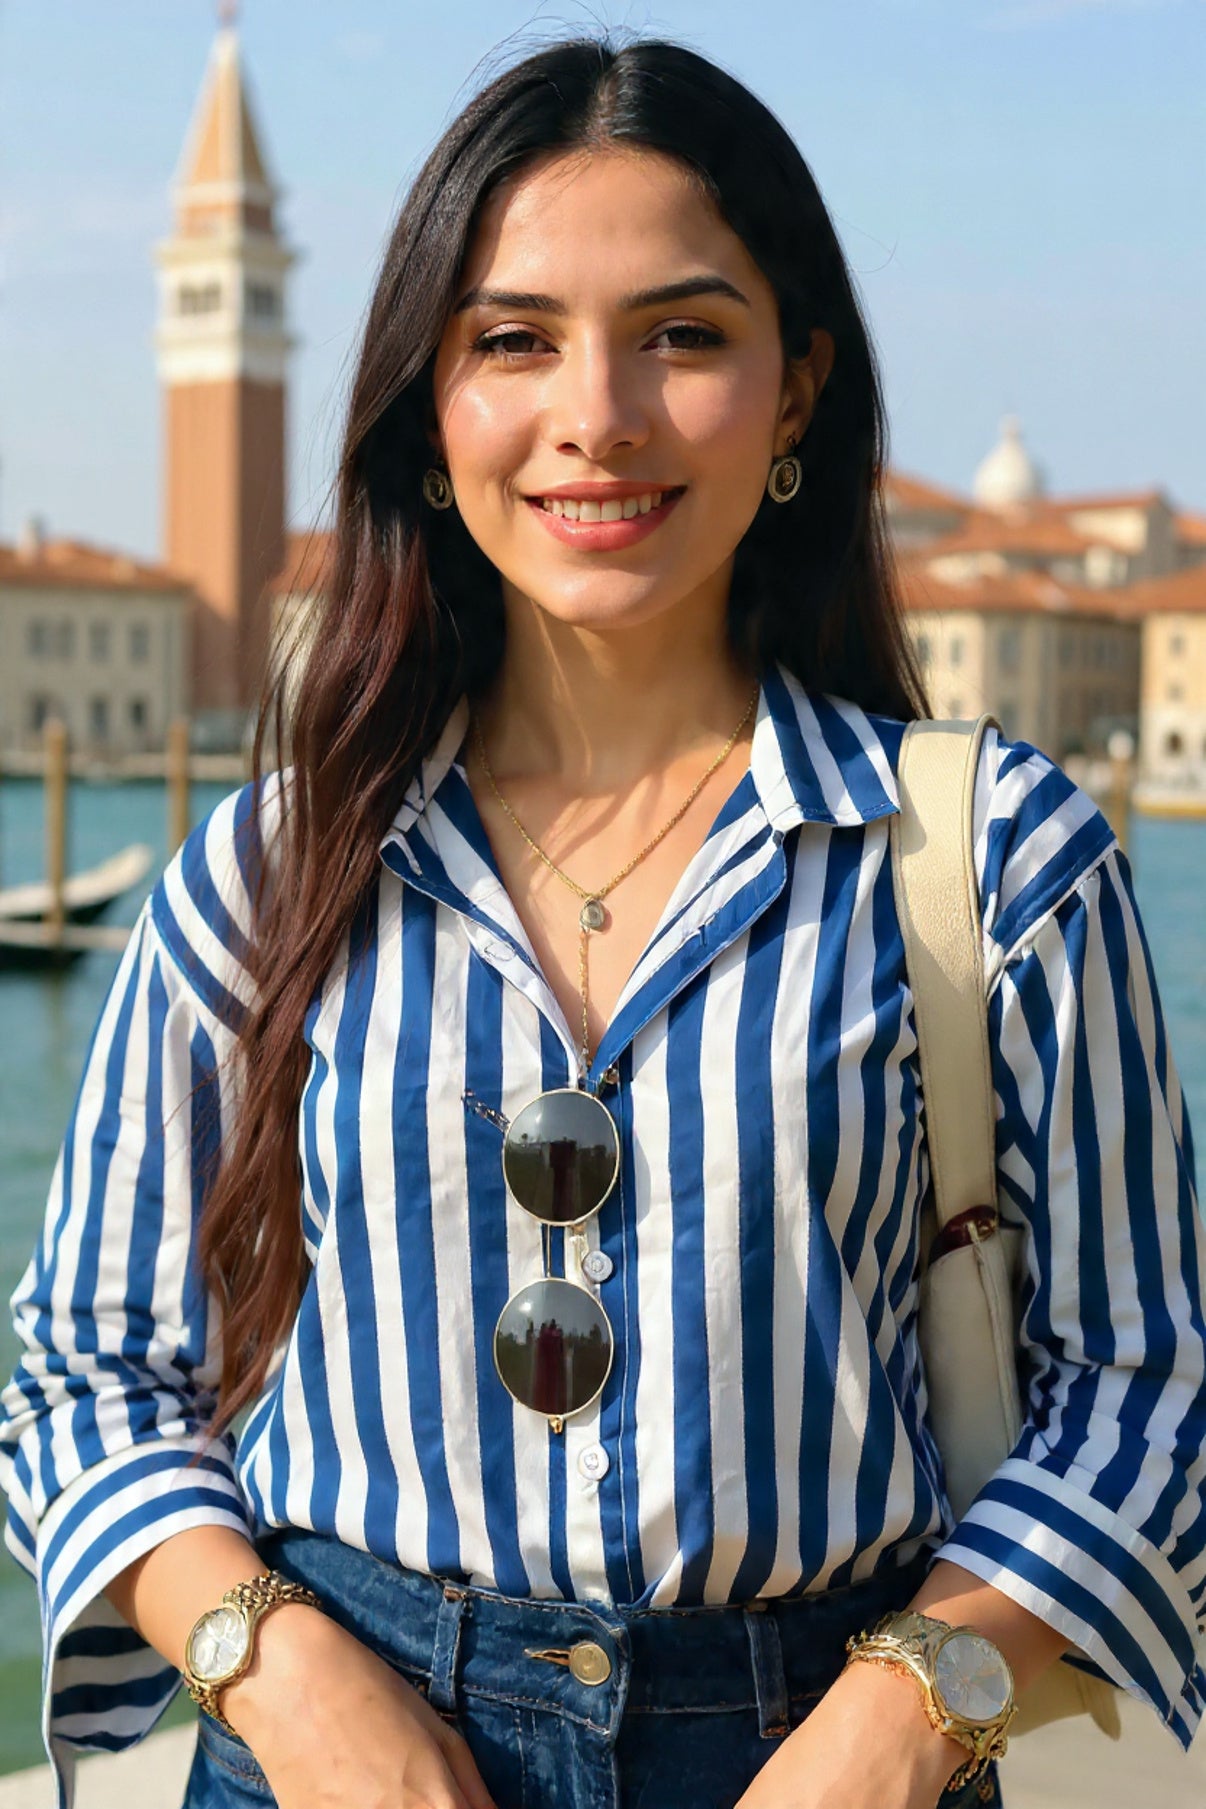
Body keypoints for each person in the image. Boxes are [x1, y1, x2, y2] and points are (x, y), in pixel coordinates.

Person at [1, 34, 1203, 1809]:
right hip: (336, 1744)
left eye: (684, 335)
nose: (598, 414)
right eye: (513, 339)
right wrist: (286, 1675)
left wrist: (899, 1715)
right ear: (429, 402)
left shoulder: (994, 859)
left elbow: (1147, 1379)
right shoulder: (266, 874)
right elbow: (83, 1366)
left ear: (796, 390)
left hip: (836, 1741)